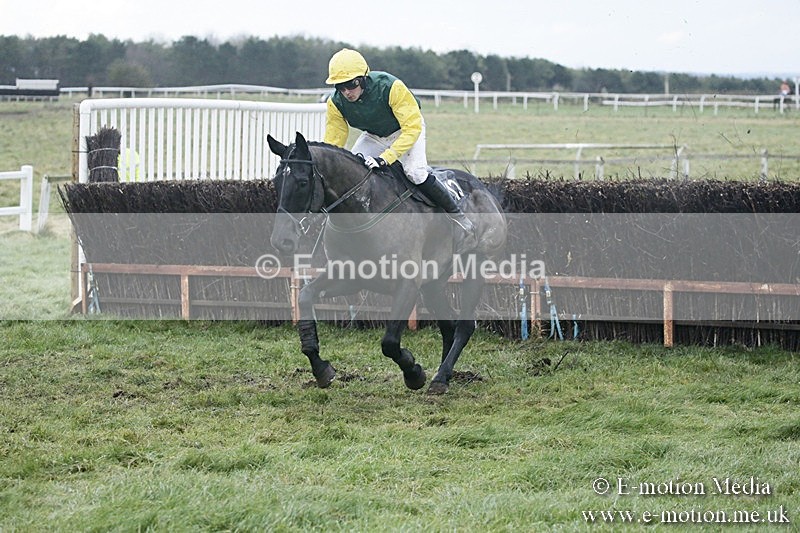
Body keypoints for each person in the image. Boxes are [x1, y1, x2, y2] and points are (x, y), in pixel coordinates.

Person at [323, 48, 477, 252]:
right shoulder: (335, 103)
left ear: (364, 78)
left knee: (415, 173)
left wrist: (386, 158)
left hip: (406, 130)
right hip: (374, 136)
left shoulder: (391, 87)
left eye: (351, 84)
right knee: (354, 172)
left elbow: (411, 127)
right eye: (340, 87)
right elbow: (333, 142)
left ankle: (458, 216)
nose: (346, 92)